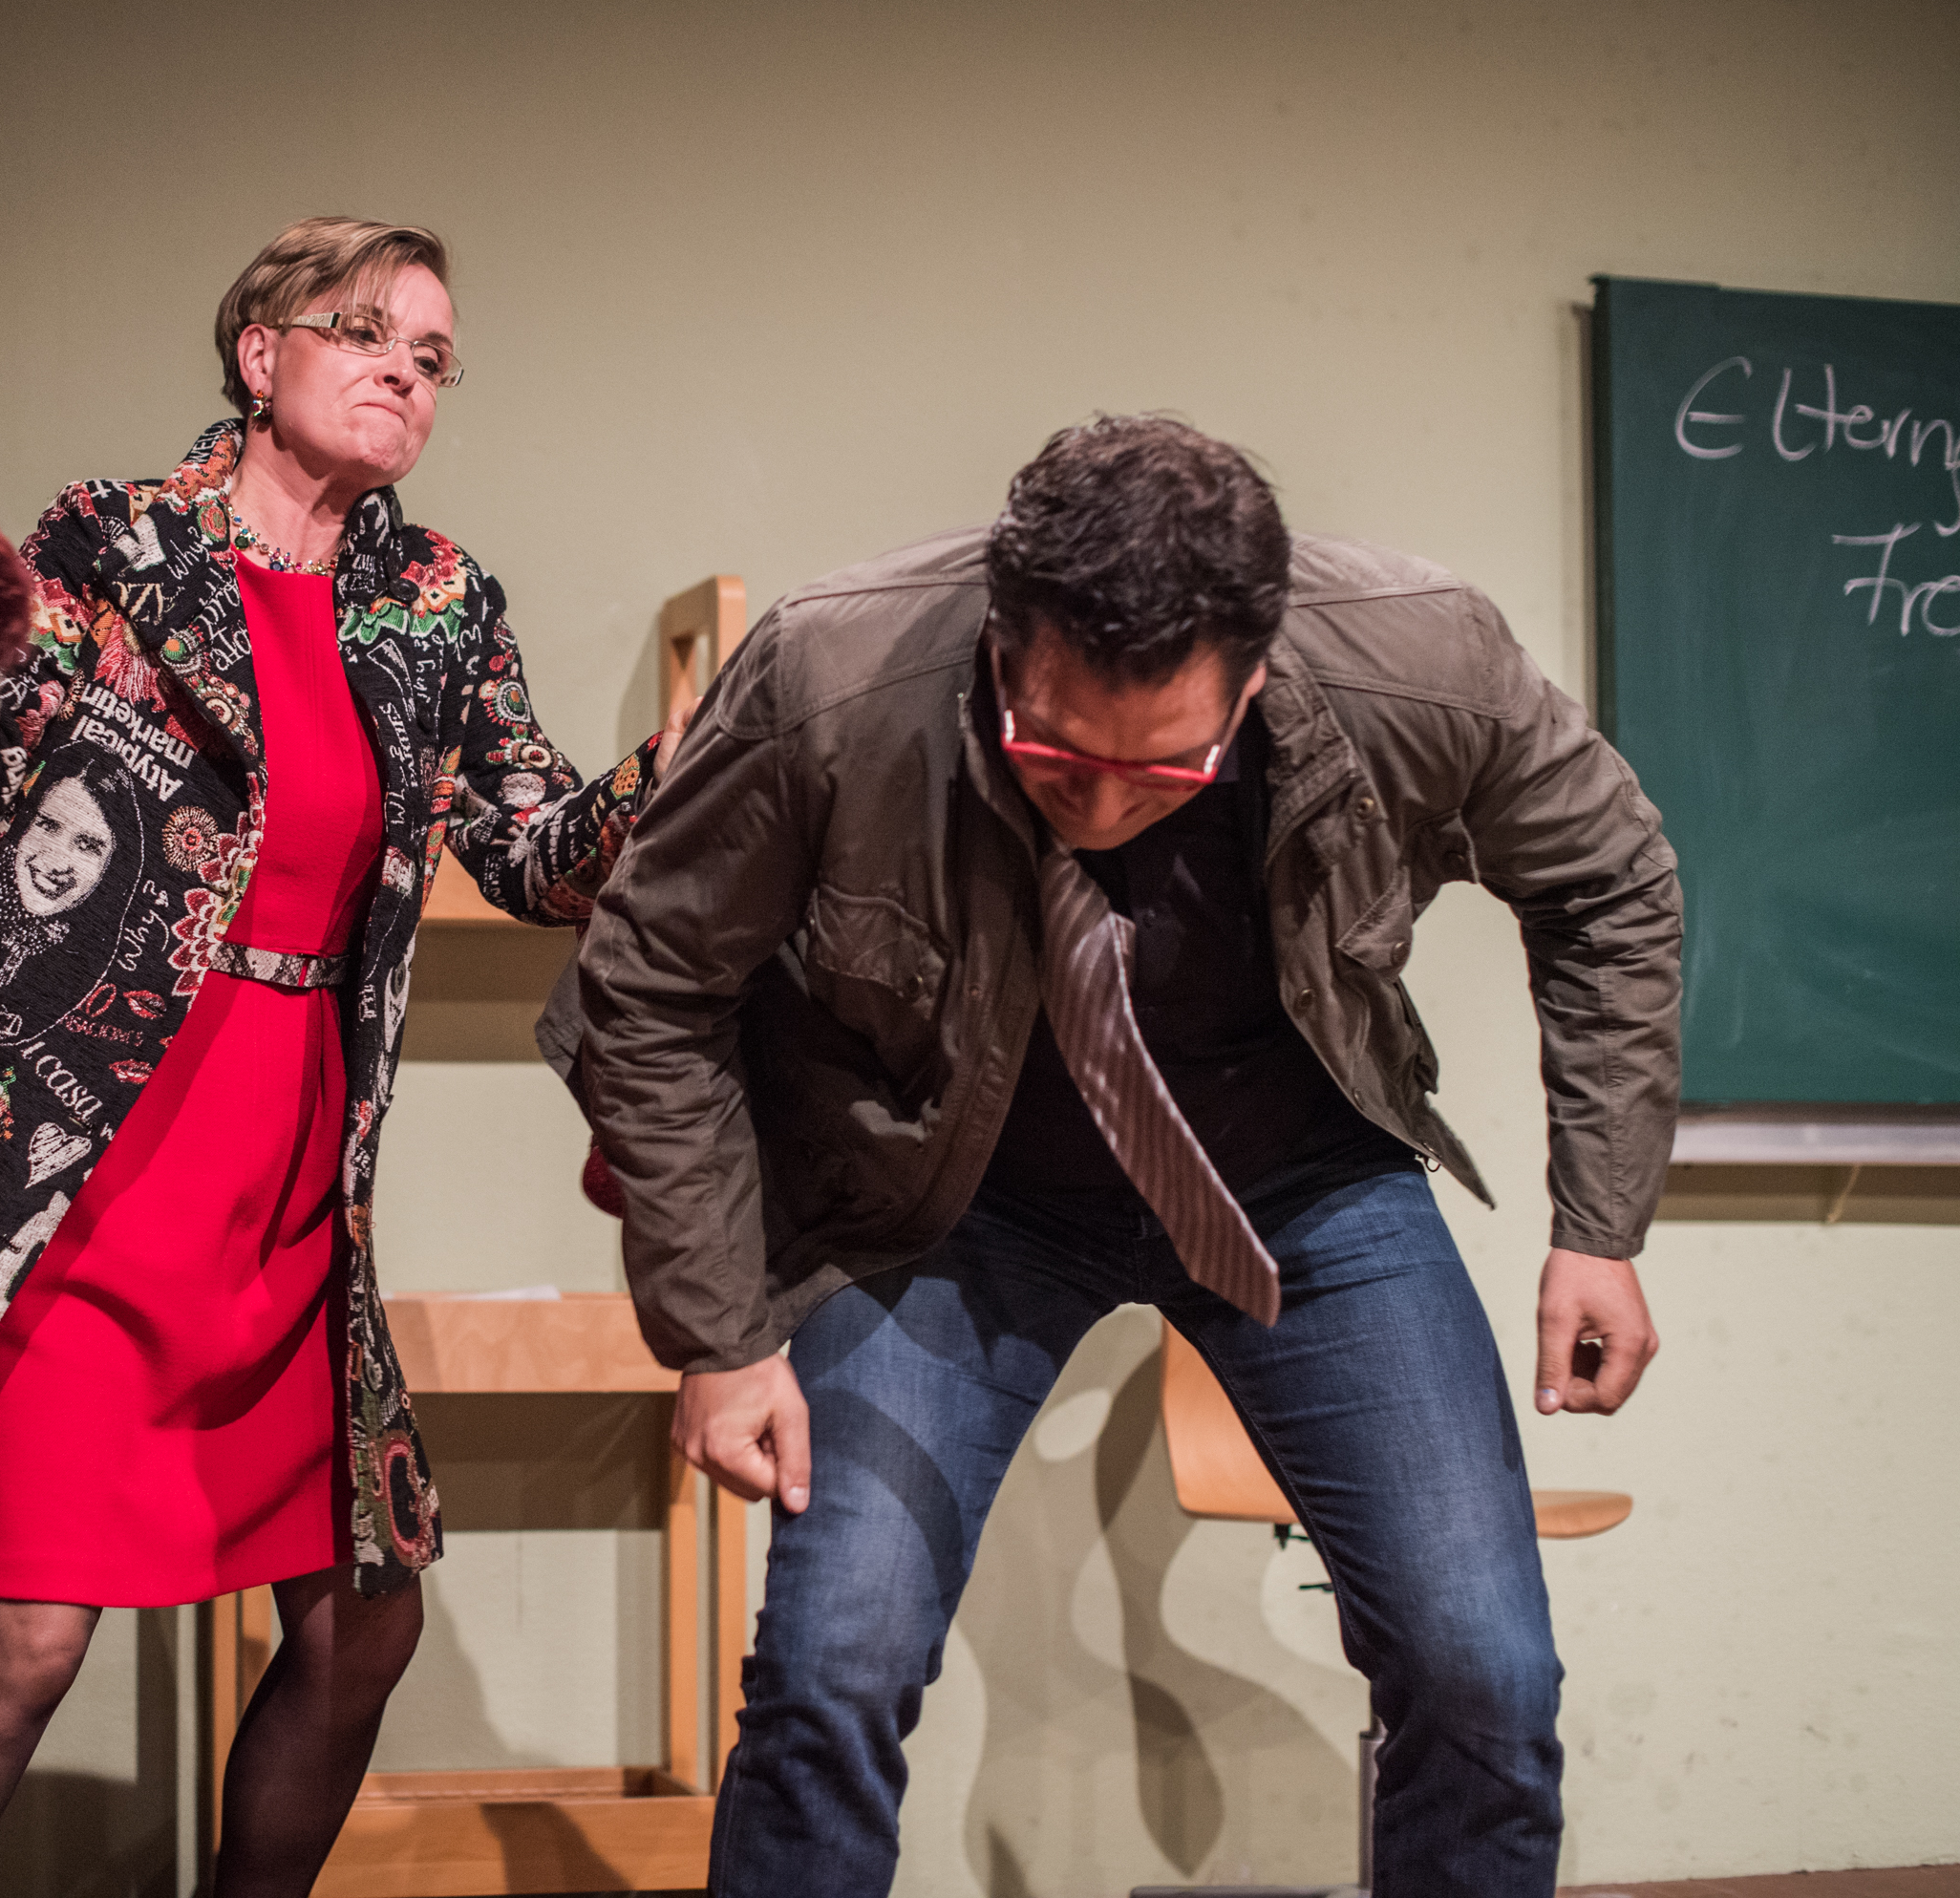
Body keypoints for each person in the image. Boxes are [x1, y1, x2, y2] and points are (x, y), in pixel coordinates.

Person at [0, 216, 668, 1898]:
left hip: (292, 1180)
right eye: (367, 333)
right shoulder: (115, 543)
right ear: (261, 353)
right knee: (26, 1641)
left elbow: (535, 858)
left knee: (367, 1619)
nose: (404, 373)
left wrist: (684, 769)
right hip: (82, 1151)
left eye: (433, 357)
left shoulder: (438, 603)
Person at [563, 416, 1680, 1896]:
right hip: (943, 1199)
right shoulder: (835, 674)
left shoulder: (1424, 660)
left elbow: (1612, 882)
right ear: (1001, 639)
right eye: (1054, 754)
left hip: (1301, 1182)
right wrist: (718, 1333)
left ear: (1253, 678)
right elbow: (650, 982)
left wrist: (1599, 1222)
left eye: (1163, 770)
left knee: (1483, 1671)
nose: (1096, 806)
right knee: (835, 1665)